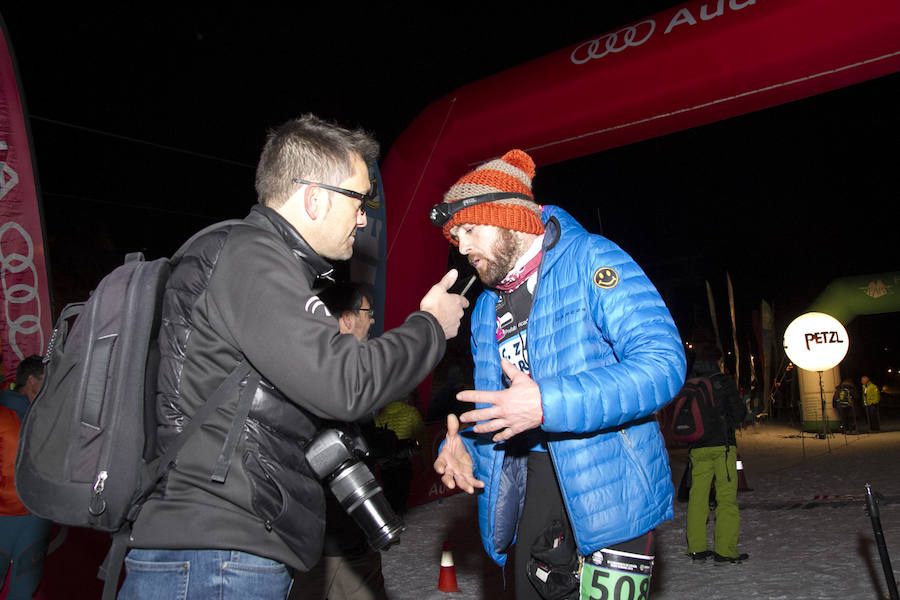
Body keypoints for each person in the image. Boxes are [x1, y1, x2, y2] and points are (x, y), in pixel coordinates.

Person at [119, 114, 468, 600]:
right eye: (359, 200)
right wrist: (430, 325)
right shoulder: (252, 257)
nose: (365, 218)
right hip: (215, 556)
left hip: (217, 552)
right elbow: (346, 382)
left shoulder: (249, 260)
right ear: (314, 197)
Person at [430, 149, 686, 599]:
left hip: (611, 497)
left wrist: (548, 403)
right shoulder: (489, 304)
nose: (462, 247)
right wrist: (467, 448)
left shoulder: (590, 258)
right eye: (456, 237)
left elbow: (663, 364)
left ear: (509, 217)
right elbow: (508, 407)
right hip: (532, 490)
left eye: (470, 229)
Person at [291, 281, 389, 600]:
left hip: (332, 540)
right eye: (367, 312)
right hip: (330, 545)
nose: (372, 320)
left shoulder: (314, 364)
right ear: (346, 319)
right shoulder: (327, 375)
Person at [683, 343, 749, 564]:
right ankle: (725, 550)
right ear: (716, 361)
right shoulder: (723, 382)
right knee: (726, 499)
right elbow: (740, 412)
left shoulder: (689, 384)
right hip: (723, 447)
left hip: (697, 449)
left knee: (698, 498)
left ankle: (696, 548)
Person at [0, 355, 51, 600]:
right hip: (5, 518)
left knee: (24, 589)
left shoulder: (47, 418)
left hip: (35, 519)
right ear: (31, 381)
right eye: (46, 380)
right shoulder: (3, 412)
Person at [375, 391, 426, 515]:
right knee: (402, 492)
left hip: (386, 462)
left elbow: (376, 440)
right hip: (403, 459)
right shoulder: (411, 412)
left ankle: (391, 517)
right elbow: (421, 437)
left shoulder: (381, 416)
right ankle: (400, 516)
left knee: (389, 492)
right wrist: (423, 457)